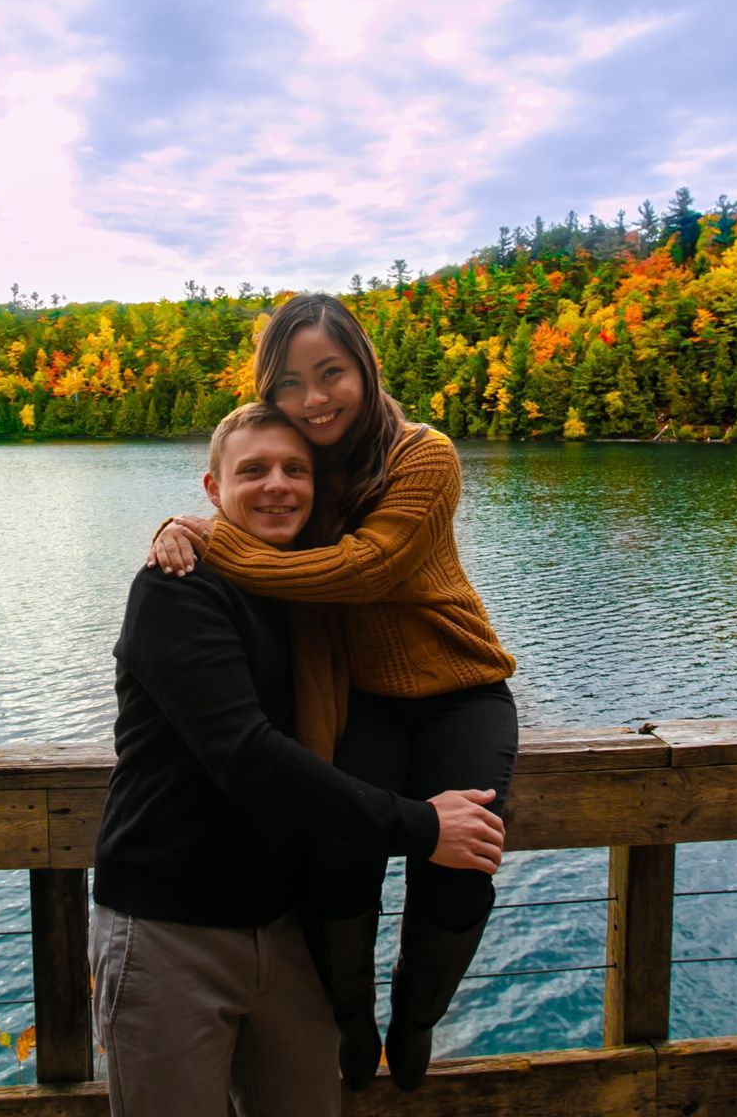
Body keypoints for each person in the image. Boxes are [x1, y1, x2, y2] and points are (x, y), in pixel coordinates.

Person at [147, 293, 519, 1093]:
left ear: (364, 369)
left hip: (461, 690)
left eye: (331, 373)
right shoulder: (303, 463)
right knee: (336, 861)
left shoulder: (424, 455)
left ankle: (415, 1022)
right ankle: (352, 1022)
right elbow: (242, 493)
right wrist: (182, 527)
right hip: (367, 699)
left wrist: (217, 543)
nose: (313, 399)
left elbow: (365, 568)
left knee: (464, 862)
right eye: (290, 382)